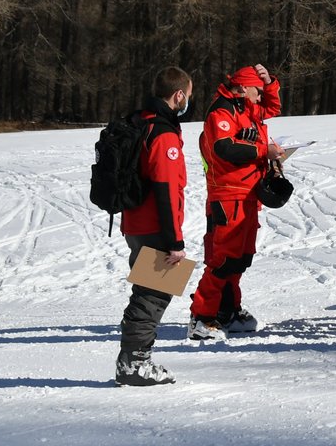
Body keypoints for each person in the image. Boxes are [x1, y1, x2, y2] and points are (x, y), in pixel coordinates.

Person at [190, 63, 283, 340]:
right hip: (228, 195)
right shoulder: (222, 111)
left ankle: (228, 309)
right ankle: (202, 316)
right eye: (257, 90)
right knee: (222, 260)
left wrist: (270, 82)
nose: (260, 96)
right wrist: (261, 150)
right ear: (243, 88)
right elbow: (224, 147)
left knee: (240, 259)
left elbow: (272, 108)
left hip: (248, 194)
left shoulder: (246, 108)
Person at [115, 66, 194, 386]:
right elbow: (165, 187)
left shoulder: (142, 121)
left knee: (149, 291)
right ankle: (133, 361)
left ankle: (134, 358)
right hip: (154, 223)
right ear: (178, 96)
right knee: (153, 293)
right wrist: (174, 239)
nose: (189, 101)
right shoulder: (162, 134)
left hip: (135, 220)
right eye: (188, 96)